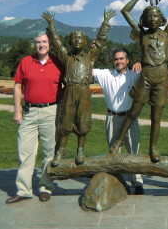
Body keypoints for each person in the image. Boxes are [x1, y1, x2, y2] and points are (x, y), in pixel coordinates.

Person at [110, 0, 168, 163]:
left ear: (161, 19)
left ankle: (153, 148)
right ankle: (118, 141)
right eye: (149, 16)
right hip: (145, 76)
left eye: (156, 15)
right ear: (144, 20)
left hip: (162, 76)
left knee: (156, 117)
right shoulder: (141, 34)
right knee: (133, 112)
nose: (152, 18)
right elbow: (125, 11)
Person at [42, 9, 115, 166]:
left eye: (80, 38)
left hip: (84, 92)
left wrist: (106, 23)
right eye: (74, 38)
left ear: (85, 42)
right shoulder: (66, 58)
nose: (77, 40)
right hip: (69, 91)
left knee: (83, 121)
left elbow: (101, 41)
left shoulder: (90, 57)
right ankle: (60, 151)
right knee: (65, 121)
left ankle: (80, 150)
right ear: (70, 42)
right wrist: (51, 25)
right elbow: (56, 43)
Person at [6, 31, 63, 204]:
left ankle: (46, 187)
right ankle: (24, 190)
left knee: (49, 153)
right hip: (29, 113)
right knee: (25, 152)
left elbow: (67, 86)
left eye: (44, 42)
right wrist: (17, 111)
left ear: (50, 44)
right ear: (34, 44)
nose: (41, 45)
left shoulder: (58, 62)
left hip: (51, 111)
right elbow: (17, 87)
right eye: (38, 42)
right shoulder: (26, 61)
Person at [92, 48, 144, 194]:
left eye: (122, 58)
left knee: (134, 149)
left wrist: (142, 64)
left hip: (130, 118)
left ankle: (137, 180)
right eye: (116, 59)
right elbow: (86, 67)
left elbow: (152, 71)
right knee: (113, 151)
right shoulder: (106, 74)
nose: (118, 61)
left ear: (128, 60)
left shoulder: (134, 75)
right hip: (112, 118)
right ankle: (117, 181)